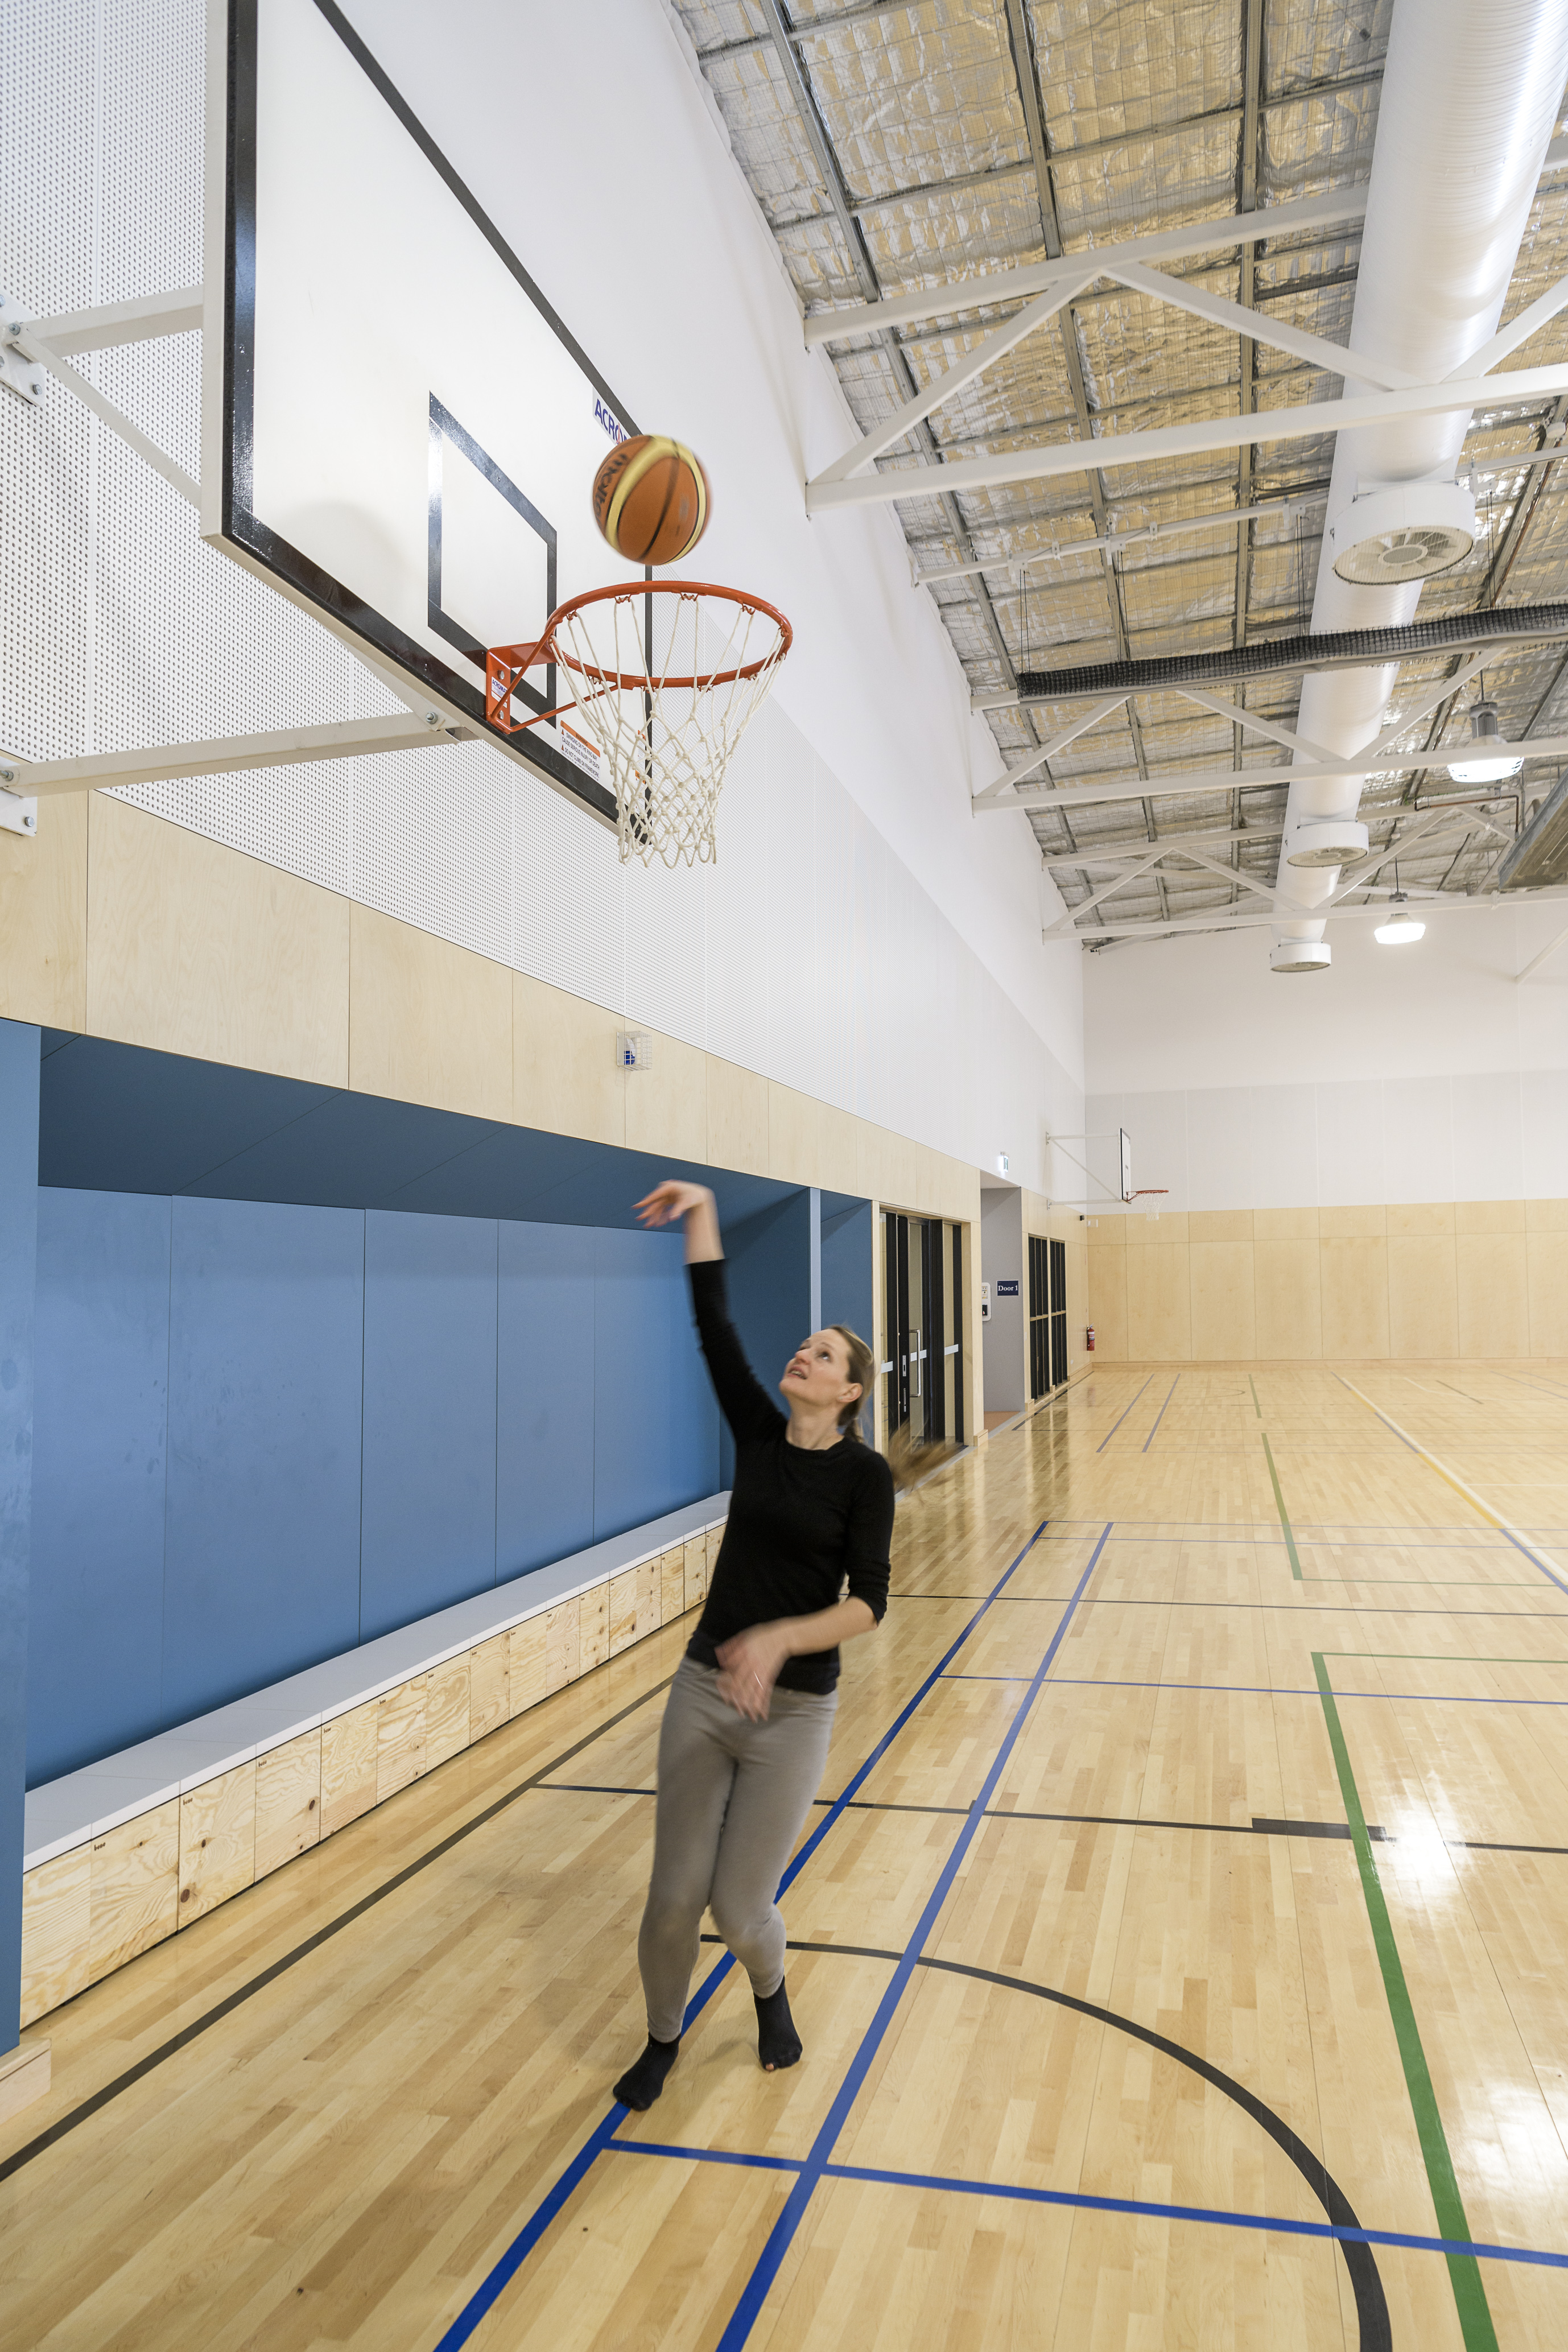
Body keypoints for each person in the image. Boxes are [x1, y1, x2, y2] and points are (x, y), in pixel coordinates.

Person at [612, 1179, 894, 2111]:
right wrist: (701, 1211)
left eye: (824, 1354)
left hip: (795, 1712)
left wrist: (779, 1639)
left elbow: (870, 1603)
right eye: (803, 1346)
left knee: (740, 1908)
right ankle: (663, 2037)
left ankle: (769, 1989)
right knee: (672, 1897)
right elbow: (714, 1323)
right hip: (704, 1691)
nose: (802, 1354)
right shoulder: (759, 1433)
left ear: (849, 1391)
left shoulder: (864, 1476)